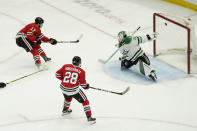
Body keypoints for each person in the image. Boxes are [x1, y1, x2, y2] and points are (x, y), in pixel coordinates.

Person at [55, 56, 96, 124]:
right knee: (85, 101)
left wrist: (65, 80)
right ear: (79, 62)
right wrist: (87, 86)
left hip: (63, 88)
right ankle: (89, 117)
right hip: (73, 90)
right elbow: (83, 85)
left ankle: (65, 110)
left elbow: (57, 74)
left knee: (68, 98)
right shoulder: (81, 71)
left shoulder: (65, 66)